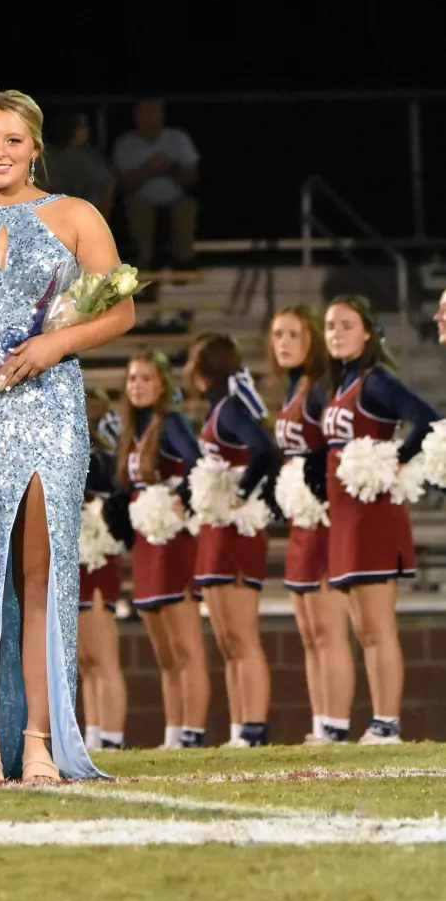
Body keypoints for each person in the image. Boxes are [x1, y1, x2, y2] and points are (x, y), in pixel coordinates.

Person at [0, 88, 135, 785]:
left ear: (35, 145)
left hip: (47, 409)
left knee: (40, 577)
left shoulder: (76, 215)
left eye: (12, 139)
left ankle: (37, 740)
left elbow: (120, 309)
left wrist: (54, 345)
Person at [322, 296, 440, 744]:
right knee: (362, 628)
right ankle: (378, 721)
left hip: (373, 517)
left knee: (377, 625)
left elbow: (426, 419)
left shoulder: (376, 381)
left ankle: (387, 722)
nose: (336, 333)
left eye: (346, 325)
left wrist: (397, 459)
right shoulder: (344, 382)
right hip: (347, 517)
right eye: (330, 326)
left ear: (368, 332)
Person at [101, 351, 209, 749]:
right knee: (164, 652)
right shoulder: (131, 430)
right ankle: (173, 732)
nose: (137, 386)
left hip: (172, 541)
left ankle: (193, 732)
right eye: (132, 379)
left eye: (146, 378)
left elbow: (198, 463)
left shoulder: (172, 422)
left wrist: (180, 497)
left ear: (162, 385)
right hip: (146, 543)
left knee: (186, 647)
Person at [268, 306, 355, 745]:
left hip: (324, 519)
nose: (283, 343)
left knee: (329, 628)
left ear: (312, 341)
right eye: (277, 335)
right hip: (301, 520)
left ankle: (336, 724)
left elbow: (339, 445)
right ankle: (321, 724)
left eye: (293, 335)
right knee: (308, 631)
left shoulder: (320, 389)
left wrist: (317, 479)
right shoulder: (293, 387)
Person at [185, 333, 276, 747]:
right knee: (227, 640)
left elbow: (264, 449)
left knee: (242, 637)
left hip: (236, 531)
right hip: (217, 531)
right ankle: (241, 729)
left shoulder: (230, 408)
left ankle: (254, 727)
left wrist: (241, 492)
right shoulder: (220, 407)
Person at [77, 389, 128, 753]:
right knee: (86, 659)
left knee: (104, 655)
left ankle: (112, 737)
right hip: (75, 560)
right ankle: (93, 735)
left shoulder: (99, 458)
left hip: (95, 557)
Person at [111, 99, 199, 270]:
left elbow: (193, 176)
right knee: (139, 210)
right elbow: (121, 185)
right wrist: (148, 169)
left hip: (174, 198)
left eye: (153, 112)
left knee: (187, 206)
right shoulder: (125, 143)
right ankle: (146, 262)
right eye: (144, 113)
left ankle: (185, 262)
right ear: (136, 117)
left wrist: (170, 167)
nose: (149, 118)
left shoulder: (177, 138)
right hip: (140, 200)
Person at [46, 111, 115, 221]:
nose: (86, 131)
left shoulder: (92, 157)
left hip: (88, 216)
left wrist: (102, 220)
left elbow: (108, 186)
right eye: (81, 126)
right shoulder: (50, 158)